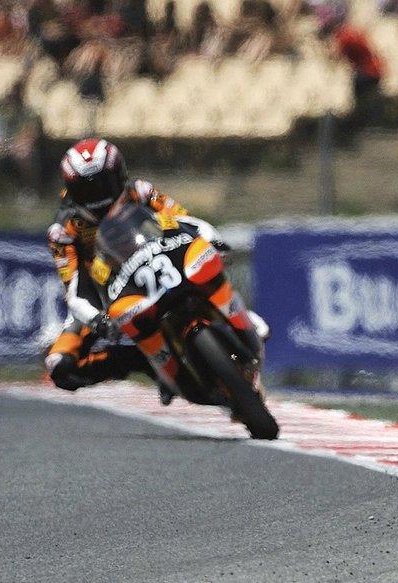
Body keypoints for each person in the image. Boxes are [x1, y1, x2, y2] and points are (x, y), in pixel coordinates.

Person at [44, 138, 257, 397]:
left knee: (207, 270)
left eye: (104, 184)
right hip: (105, 296)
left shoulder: (140, 191)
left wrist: (211, 238)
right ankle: (144, 362)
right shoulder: (63, 231)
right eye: (88, 190)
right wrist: (96, 319)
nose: (99, 196)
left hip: (159, 259)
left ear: (119, 174)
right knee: (59, 366)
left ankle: (237, 318)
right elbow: (74, 291)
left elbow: (181, 219)